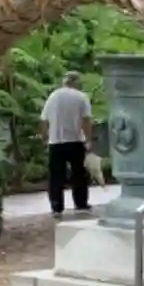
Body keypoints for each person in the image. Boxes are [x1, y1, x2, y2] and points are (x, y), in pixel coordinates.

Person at [39, 71, 96, 218]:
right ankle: (81, 203)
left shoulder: (53, 96)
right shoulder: (81, 97)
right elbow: (86, 120)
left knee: (55, 176)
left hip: (56, 141)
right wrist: (89, 140)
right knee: (79, 173)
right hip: (75, 140)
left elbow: (44, 119)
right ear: (75, 82)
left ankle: (56, 206)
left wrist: (45, 137)